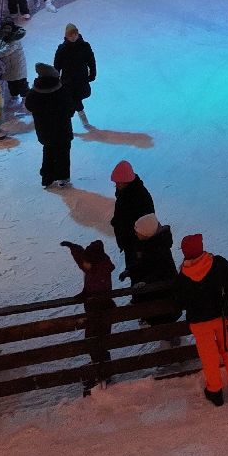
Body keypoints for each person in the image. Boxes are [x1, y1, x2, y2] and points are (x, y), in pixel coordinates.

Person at [176, 232, 228, 406]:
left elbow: (179, 301)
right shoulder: (217, 263)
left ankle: (215, 391)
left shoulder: (183, 276)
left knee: (208, 356)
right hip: (222, 318)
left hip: (199, 322)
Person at [61, 238, 116, 386]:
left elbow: (98, 291)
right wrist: (73, 247)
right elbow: (81, 258)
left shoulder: (100, 271)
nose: (84, 264)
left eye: (87, 262)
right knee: (94, 341)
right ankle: (100, 368)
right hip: (95, 309)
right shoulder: (94, 264)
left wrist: (88, 296)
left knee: (97, 340)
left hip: (100, 310)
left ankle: (102, 373)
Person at [125, 214, 181, 328]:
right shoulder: (149, 244)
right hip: (155, 295)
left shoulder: (158, 249)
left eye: (137, 231)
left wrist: (145, 281)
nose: (135, 233)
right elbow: (144, 265)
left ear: (146, 233)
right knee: (160, 319)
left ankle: (171, 337)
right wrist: (130, 270)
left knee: (164, 321)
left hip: (163, 295)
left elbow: (162, 272)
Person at [25, 64, 77, 187]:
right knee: (63, 152)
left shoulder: (34, 92)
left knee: (48, 150)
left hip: (44, 130)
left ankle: (47, 177)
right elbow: (70, 109)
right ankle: (62, 177)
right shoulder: (62, 91)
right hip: (62, 129)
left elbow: (29, 106)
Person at [110, 161, 155, 269]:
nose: (116, 185)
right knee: (133, 269)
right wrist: (116, 221)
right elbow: (122, 213)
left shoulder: (140, 197)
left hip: (137, 245)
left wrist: (139, 249)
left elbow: (146, 225)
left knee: (139, 271)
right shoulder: (124, 192)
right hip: (129, 241)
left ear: (127, 181)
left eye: (118, 182)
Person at [54, 23, 96, 130]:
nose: (73, 36)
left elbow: (91, 61)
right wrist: (55, 79)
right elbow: (57, 66)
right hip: (68, 81)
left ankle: (73, 122)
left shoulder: (85, 46)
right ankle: (81, 122)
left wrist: (92, 74)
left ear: (77, 34)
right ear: (66, 36)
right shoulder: (62, 49)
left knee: (75, 101)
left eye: (75, 34)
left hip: (81, 79)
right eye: (70, 35)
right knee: (73, 101)